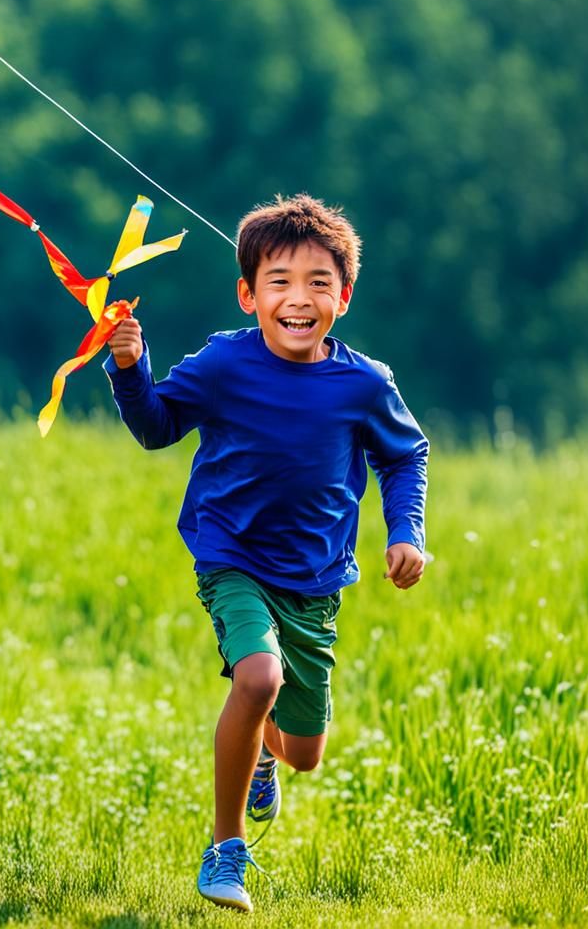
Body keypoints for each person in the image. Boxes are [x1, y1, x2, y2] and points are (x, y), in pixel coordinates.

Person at [102, 193, 428, 913]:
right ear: (249, 294)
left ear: (344, 295)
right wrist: (130, 367)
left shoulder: (364, 384)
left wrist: (406, 531)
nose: (299, 299)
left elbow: (405, 458)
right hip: (230, 558)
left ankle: (259, 762)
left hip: (314, 582)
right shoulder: (222, 363)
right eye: (279, 282)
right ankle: (225, 853)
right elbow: (158, 427)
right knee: (256, 680)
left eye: (318, 283)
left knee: (303, 751)